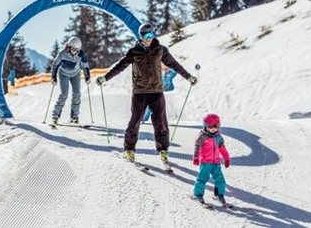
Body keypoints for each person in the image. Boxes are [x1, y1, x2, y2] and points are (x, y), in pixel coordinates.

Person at [96, 22, 197, 169]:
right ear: (140, 36)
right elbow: (120, 66)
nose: (148, 38)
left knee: (161, 122)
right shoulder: (134, 51)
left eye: (151, 35)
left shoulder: (160, 50)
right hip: (140, 92)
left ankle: (163, 150)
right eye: (145, 35)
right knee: (135, 121)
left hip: (156, 92)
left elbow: (174, 65)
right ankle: (129, 149)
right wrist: (105, 77)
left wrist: (188, 77)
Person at [48, 36, 91, 125]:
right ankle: (55, 115)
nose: (73, 51)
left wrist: (87, 77)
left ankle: (74, 116)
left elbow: (85, 66)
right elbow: (55, 65)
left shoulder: (81, 55)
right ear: (68, 47)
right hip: (63, 74)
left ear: (78, 49)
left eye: (75, 50)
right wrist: (53, 77)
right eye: (71, 49)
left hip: (75, 74)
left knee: (77, 94)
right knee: (64, 94)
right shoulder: (62, 54)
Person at [192, 113, 232, 207]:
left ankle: (219, 195)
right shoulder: (202, 136)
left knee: (220, 179)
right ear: (205, 125)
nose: (213, 128)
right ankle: (197, 195)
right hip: (206, 163)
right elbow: (197, 147)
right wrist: (196, 158)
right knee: (202, 179)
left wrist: (226, 158)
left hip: (216, 163)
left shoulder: (219, 137)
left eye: (215, 126)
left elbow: (222, 149)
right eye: (210, 126)